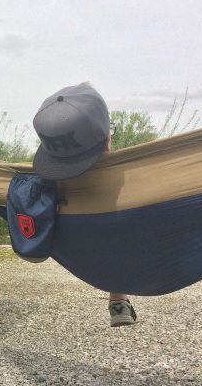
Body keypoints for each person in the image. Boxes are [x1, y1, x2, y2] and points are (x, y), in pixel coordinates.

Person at [31, 83, 137, 327]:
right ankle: (118, 299)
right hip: (119, 233)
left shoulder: (43, 185)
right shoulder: (128, 180)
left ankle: (118, 299)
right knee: (117, 228)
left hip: (70, 236)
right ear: (108, 140)